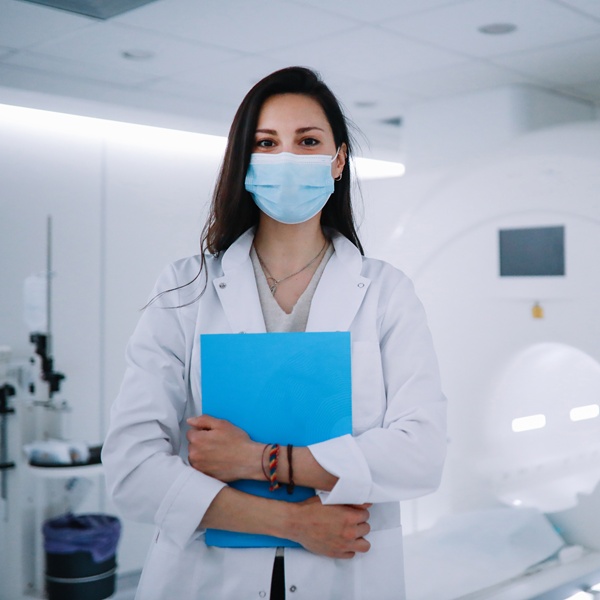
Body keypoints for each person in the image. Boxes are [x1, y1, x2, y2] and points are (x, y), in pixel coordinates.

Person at [102, 66, 447, 600]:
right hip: (205, 576)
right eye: (267, 143)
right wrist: (291, 522)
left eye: (308, 141)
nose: (287, 158)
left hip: (348, 574)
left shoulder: (385, 293)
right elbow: (132, 467)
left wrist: (252, 459)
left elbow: (420, 455)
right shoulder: (185, 288)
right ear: (245, 163)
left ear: (338, 160)